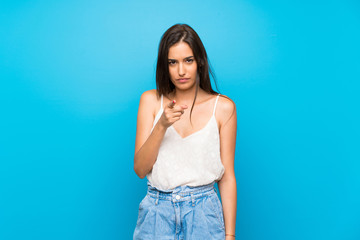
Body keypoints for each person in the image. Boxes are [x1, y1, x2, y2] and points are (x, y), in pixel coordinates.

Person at [133, 23, 237, 240]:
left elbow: (226, 177)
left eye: (188, 60)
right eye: (173, 62)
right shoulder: (151, 101)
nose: (181, 71)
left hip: (204, 215)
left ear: (199, 61)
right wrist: (161, 125)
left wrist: (230, 235)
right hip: (156, 213)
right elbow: (141, 169)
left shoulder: (224, 108)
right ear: (165, 66)